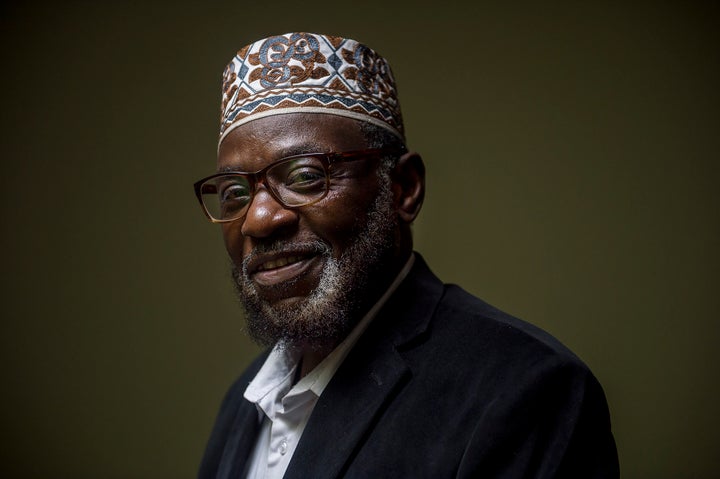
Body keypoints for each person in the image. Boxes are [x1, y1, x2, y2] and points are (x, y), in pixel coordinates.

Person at [194, 32, 619, 479]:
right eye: (234, 193)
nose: (257, 220)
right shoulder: (246, 401)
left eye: (304, 175)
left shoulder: (524, 392)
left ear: (403, 189)